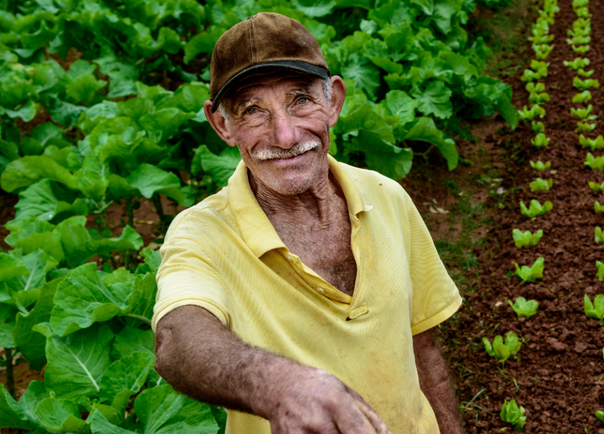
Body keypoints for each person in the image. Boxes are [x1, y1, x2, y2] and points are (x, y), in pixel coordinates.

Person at [152, 12, 466, 434]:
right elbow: (178, 339)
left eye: (300, 100)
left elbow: (421, 344)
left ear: (332, 102)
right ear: (222, 125)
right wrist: (278, 385)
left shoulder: (386, 196)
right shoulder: (200, 235)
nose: (285, 136)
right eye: (252, 110)